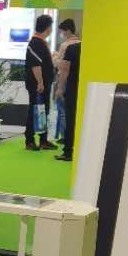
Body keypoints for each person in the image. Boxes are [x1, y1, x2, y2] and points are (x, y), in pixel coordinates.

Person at [24, 14, 55, 151]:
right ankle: (29, 140)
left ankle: (43, 140)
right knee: (35, 110)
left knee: (43, 110)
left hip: (43, 84)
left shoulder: (41, 43)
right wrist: (40, 82)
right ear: (48, 28)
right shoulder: (36, 43)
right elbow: (35, 65)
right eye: (51, 26)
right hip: (37, 85)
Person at [55, 18, 82, 163]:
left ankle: (68, 151)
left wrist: (59, 88)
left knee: (69, 117)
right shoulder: (84, 47)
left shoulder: (69, 48)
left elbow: (64, 70)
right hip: (83, 87)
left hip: (71, 87)